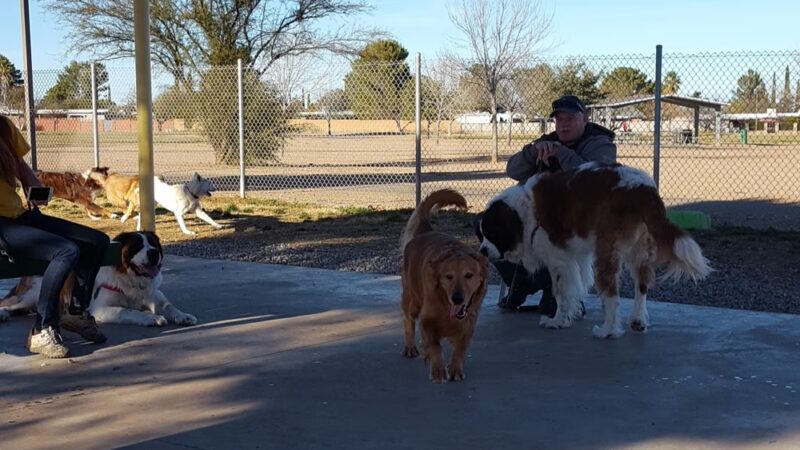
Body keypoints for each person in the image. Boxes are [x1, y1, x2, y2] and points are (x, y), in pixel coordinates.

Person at [494, 95, 617, 314]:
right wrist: (533, 152)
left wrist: (560, 152)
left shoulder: (600, 143)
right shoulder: (546, 141)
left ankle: (556, 287)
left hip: (580, 221)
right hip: (540, 217)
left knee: (552, 306)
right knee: (489, 226)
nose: (563, 124)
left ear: (585, 119)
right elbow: (512, 170)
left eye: (569, 118)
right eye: (559, 119)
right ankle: (523, 282)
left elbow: (591, 177)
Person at [0, 114, 109, 358]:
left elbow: (19, 165)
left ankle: (74, 311)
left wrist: (35, 190)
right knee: (65, 251)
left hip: (20, 215)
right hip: (2, 227)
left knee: (96, 242)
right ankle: (42, 328)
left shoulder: (4, 126)